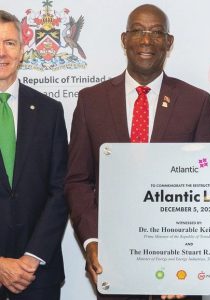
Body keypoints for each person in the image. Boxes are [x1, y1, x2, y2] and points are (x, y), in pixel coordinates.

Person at [65, 4, 210, 300]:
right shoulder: (90, 101)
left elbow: (206, 183)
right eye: (137, 31)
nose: (146, 40)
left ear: (168, 42)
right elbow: (78, 180)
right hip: (114, 262)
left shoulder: (196, 102)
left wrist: (187, 257)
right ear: (124, 39)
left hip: (179, 267)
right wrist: (93, 240)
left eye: (156, 32)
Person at [0, 10, 68, 300]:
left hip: (37, 276)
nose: (2, 52)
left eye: (10, 43)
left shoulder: (50, 112)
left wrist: (31, 257)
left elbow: (62, 189)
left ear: (23, 51)